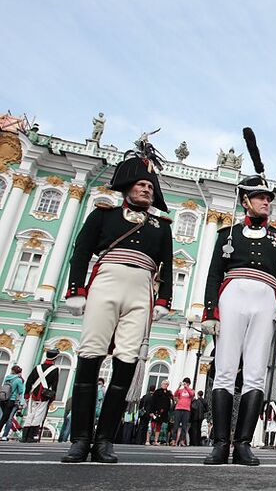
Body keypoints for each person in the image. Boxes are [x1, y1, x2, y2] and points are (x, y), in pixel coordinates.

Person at [61, 141, 173, 463]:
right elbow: (81, 251)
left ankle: (105, 440)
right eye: (141, 185)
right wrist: (76, 290)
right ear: (127, 187)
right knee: (90, 354)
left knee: (126, 362)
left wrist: (163, 299)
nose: (146, 190)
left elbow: (166, 263)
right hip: (106, 283)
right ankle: (80, 439)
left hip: (141, 290)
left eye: (150, 187)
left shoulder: (161, 227)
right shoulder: (103, 215)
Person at [202, 128, 276, 466]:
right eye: (260, 198)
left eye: (268, 199)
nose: (266, 202)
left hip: (265, 300)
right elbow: (214, 274)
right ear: (246, 200)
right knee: (226, 369)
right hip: (232, 295)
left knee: (256, 372)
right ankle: (219, 443)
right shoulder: (226, 234)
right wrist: (210, 311)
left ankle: (243, 443)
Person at [23, 349, 60, 442]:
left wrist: (27, 393)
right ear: (55, 358)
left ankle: (24, 436)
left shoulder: (37, 367)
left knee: (30, 413)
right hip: (45, 395)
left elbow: (29, 381)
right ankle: (31, 436)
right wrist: (53, 396)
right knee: (39, 414)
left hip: (33, 394)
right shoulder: (55, 369)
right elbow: (54, 385)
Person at [0, 365, 24, 441]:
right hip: (12, 401)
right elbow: (20, 391)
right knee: (8, 418)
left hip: (3, 399)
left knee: (4, 417)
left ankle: (4, 434)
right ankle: (4, 435)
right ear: (19, 372)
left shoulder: (7, 378)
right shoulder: (18, 380)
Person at [171, 378, 194, 447]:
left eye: (187, 383)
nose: (185, 384)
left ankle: (182, 441)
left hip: (186, 409)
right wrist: (179, 386)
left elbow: (191, 394)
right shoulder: (180, 390)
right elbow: (175, 395)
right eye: (185, 382)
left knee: (184, 426)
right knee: (176, 425)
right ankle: (173, 440)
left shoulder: (191, 390)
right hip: (178, 408)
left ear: (189, 384)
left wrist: (187, 387)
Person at [149, 380, 173, 445]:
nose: (165, 385)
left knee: (159, 426)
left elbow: (170, 402)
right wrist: (151, 411)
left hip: (164, 413)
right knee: (152, 425)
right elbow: (153, 402)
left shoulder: (168, 393)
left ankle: (156, 440)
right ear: (161, 384)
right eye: (164, 384)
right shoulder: (157, 392)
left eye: (167, 384)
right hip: (156, 411)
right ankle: (148, 440)